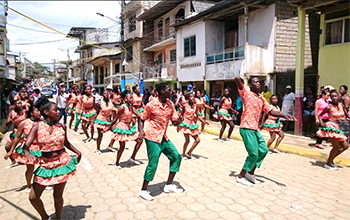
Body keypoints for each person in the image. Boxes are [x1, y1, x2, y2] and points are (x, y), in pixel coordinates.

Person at [22, 97, 82, 220]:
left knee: (57, 196)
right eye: (55, 110)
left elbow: (66, 142)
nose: (59, 111)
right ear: (46, 112)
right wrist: (27, 153)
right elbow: (26, 145)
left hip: (62, 163)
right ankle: (45, 217)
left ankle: (58, 217)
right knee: (33, 197)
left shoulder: (62, 126)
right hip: (45, 165)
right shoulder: (37, 127)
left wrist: (77, 152)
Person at [234, 77, 295, 186]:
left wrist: (284, 115)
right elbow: (238, 81)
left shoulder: (261, 98)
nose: (258, 84)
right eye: (255, 82)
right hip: (246, 127)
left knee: (263, 150)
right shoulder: (246, 93)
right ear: (250, 85)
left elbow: (271, 111)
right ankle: (241, 176)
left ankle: (250, 173)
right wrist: (240, 80)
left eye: (259, 82)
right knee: (253, 153)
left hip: (255, 129)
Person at [138, 83, 184, 201]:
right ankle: (143, 190)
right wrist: (141, 131)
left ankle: (168, 185)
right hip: (152, 137)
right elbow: (142, 118)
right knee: (153, 163)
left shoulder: (170, 104)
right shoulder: (151, 104)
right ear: (161, 92)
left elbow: (173, 122)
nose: (171, 91)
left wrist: (179, 120)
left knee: (176, 157)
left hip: (163, 137)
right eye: (169, 90)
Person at [5, 104, 42, 193]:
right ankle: (29, 185)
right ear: (31, 113)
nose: (39, 113)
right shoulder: (24, 123)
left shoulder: (43, 122)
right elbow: (17, 137)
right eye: (37, 111)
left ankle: (44, 182)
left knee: (45, 166)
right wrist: (11, 151)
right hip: (29, 149)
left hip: (42, 148)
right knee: (30, 168)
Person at [316, 91, 350, 170]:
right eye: (332, 97)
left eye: (335, 96)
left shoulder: (341, 105)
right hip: (331, 126)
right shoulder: (329, 107)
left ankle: (330, 159)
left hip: (339, 127)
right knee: (336, 146)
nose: (334, 98)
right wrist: (322, 123)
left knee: (345, 146)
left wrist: (347, 118)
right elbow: (320, 115)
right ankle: (328, 164)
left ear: (338, 97)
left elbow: (346, 114)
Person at [109, 91, 143, 169]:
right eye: (130, 97)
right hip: (122, 127)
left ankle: (132, 158)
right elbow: (115, 119)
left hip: (128, 127)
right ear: (125, 99)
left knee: (139, 140)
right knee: (122, 147)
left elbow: (138, 115)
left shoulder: (131, 107)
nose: (132, 99)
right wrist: (108, 128)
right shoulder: (122, 107)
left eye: (132, 97)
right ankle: (117, 163)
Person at [179, 91, 208, 159]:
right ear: (188, 98)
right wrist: (178, 125)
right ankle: (183, 154)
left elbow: (197, 116)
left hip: (192, 124)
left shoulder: (195, 106)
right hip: (185, 124)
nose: (192, 98)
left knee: (197, 140)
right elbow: (181, 115)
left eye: (193, 96)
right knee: (187, 141)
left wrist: (203, 121)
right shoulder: (185, 106)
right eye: (191, 97)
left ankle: (189, 152)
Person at [4, 99, 27, 169]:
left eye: (21, 103)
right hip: (16, 131)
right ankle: (13, 161)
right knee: (7, 147)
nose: (20, 105)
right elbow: (7, 123)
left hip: (25, 131)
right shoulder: (12, 113)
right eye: (18, 103)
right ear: (14, 105)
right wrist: (12, 119)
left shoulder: (25, 112)